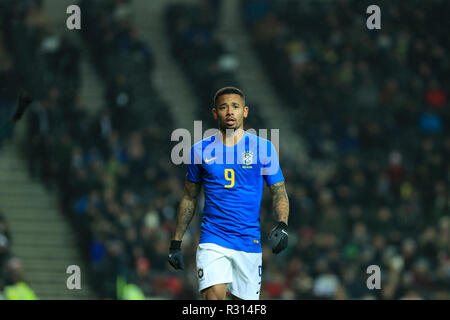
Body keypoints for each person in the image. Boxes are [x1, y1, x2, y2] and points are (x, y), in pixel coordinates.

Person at [167, 87, 290, 300]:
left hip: (249, 242)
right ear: (215, 113)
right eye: (223, 107)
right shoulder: (200, 151)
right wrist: (176, 242)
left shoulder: (264, 148)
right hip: (213, 239)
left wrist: (282, 224)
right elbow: (189, 196)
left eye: (235, 107)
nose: (230, 112)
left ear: (245, 111)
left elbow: (279, 192)